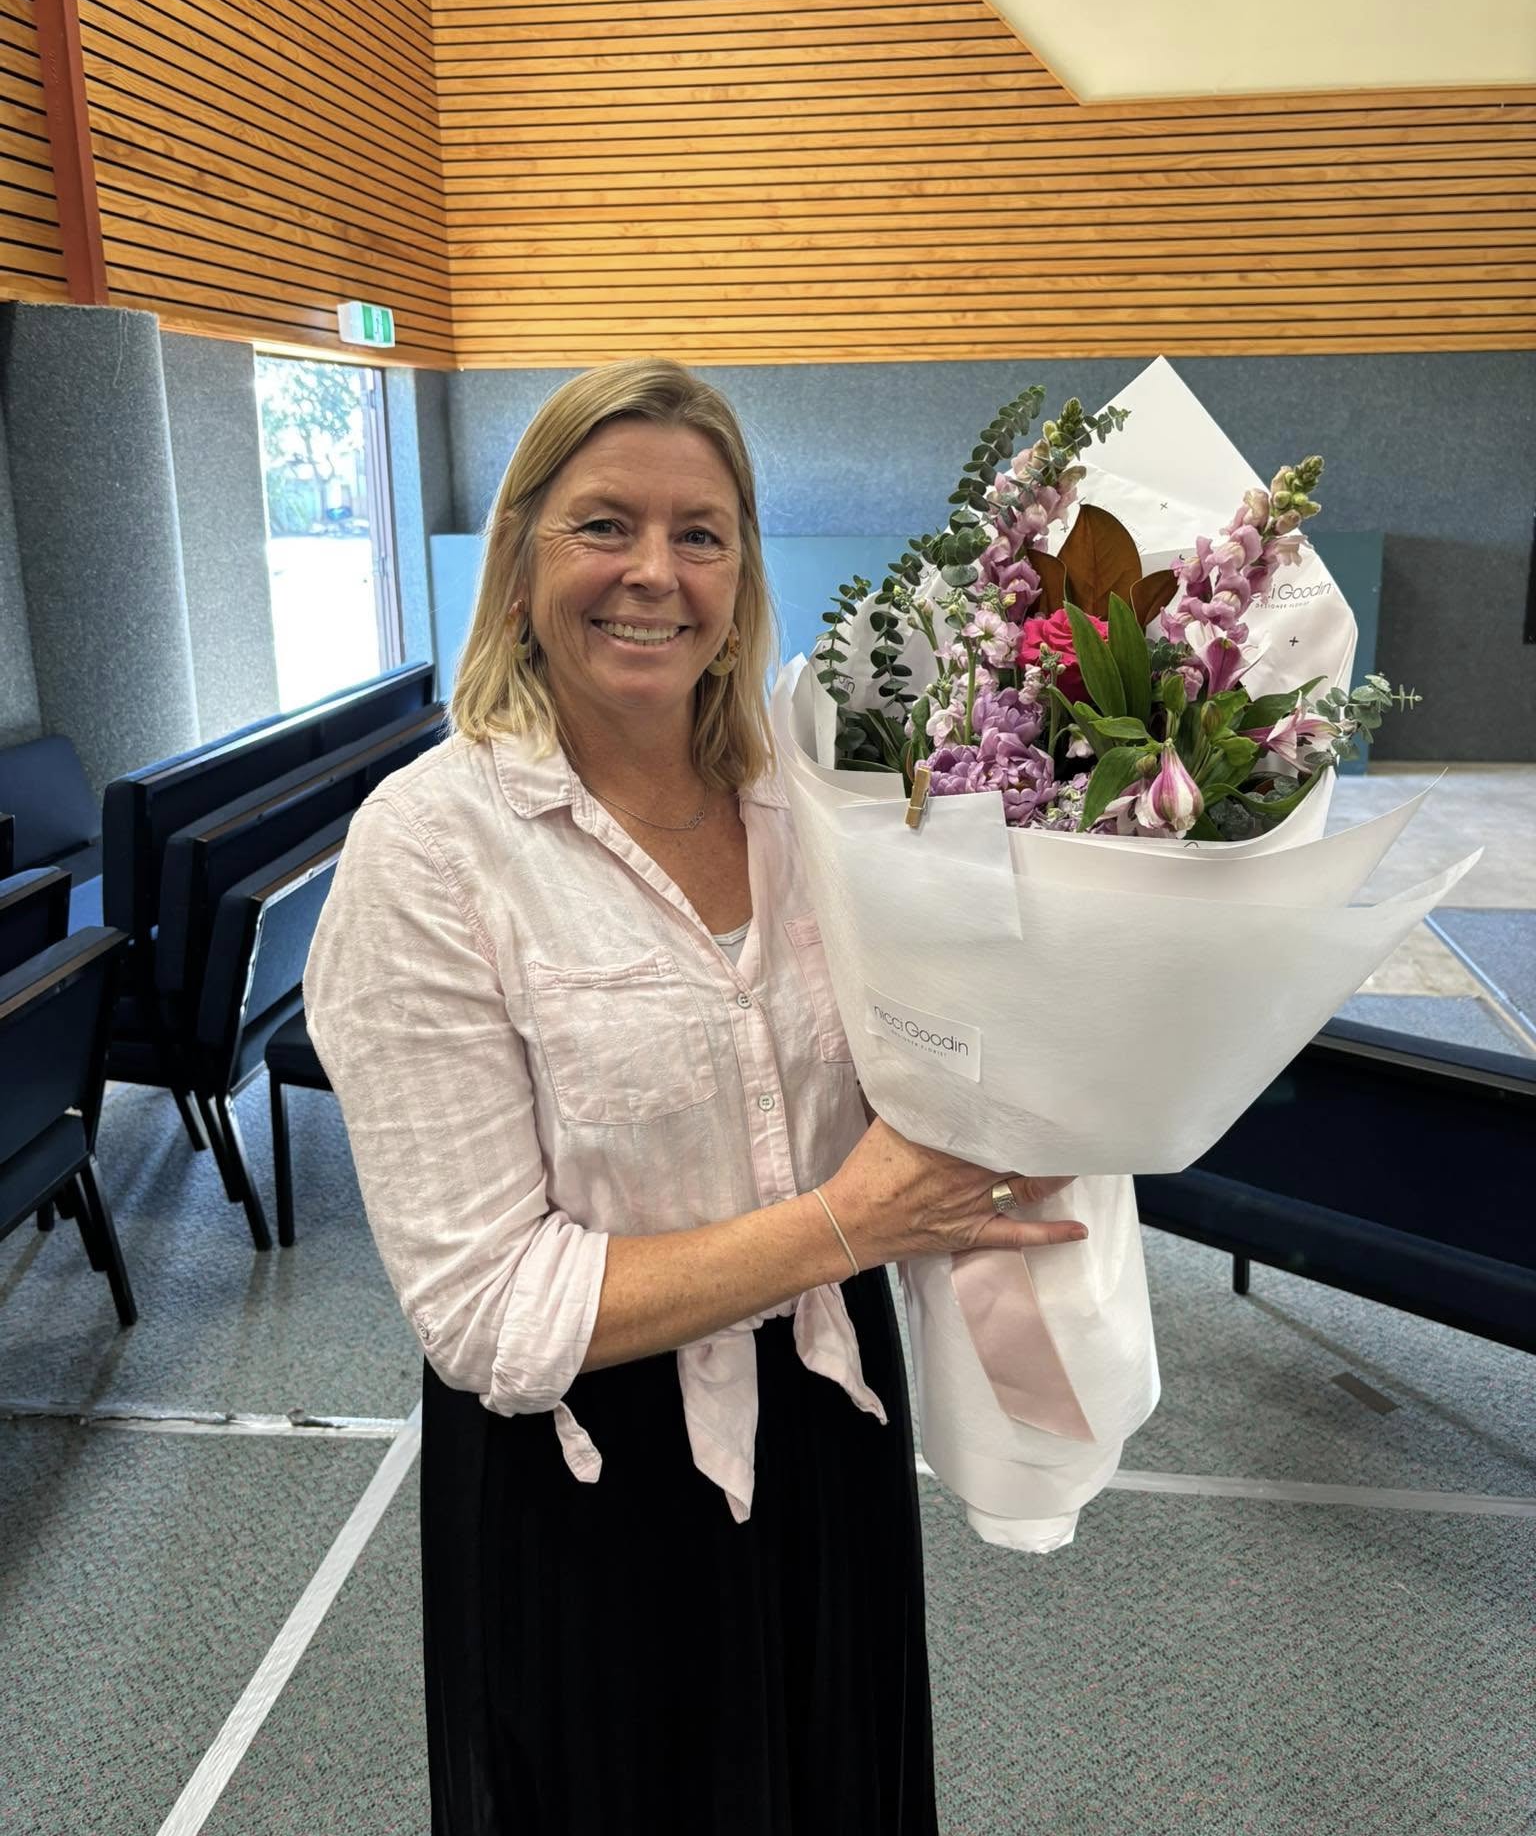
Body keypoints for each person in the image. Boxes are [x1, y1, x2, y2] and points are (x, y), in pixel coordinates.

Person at [302, 358, 1088, 1836]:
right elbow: (485, 1310)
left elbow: (904, 1068)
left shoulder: (821, 805)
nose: (654, 573)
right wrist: (853, 1224)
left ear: (742, 572)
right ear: (519, 556)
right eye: (605, 525)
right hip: (595, 1486)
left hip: (829, 1418)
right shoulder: (430, 850)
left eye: (700, 534)